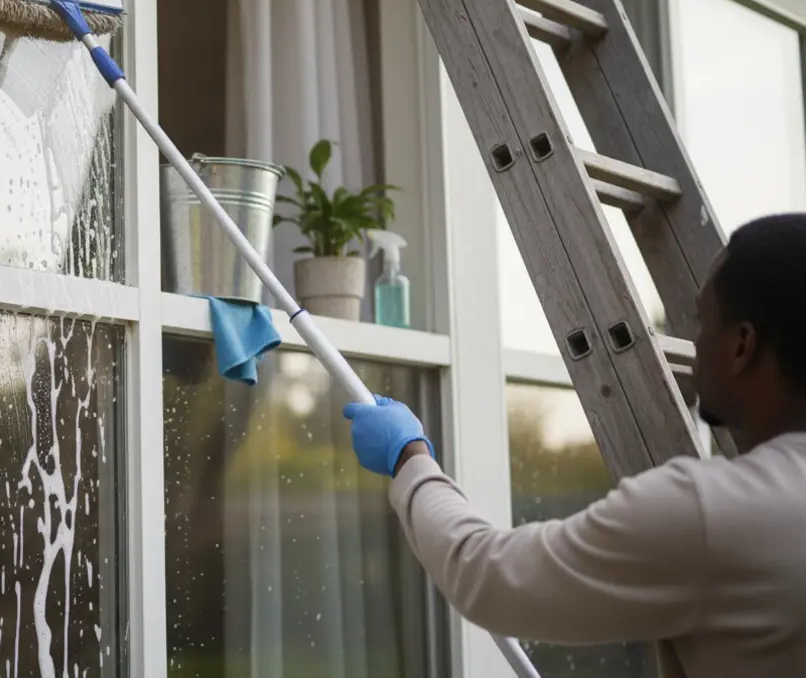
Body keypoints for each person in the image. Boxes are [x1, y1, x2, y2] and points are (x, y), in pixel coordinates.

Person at [344, 212, 806, 678]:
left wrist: (409, 457)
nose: (694, 343)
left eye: (703, 322)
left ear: (742, 345)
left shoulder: (712, 511)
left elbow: (489, 576)